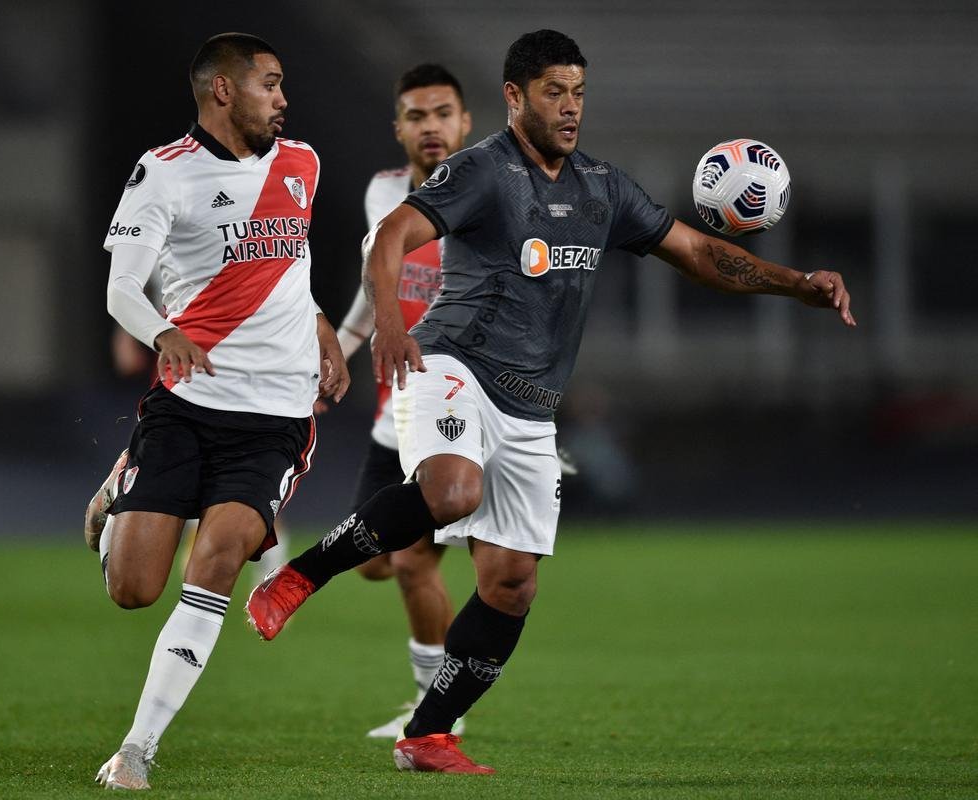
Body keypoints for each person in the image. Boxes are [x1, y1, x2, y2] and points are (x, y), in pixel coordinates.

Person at [247, 29, 855, 775]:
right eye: (553, 93)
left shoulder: (601, 187)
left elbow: (698, 254)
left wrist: (798, 284)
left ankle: (427, 734)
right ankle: (298, 576)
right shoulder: (480, 172)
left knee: (511, 586)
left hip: (531, 406)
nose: (570, 109)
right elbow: (390, 238)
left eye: (578, 93)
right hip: (452, 363)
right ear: (513, 96)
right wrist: (391, 328)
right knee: (449, 490)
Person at [89, 32, 348, 791]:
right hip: (186, 405)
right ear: (223, 91)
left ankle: (136, 750)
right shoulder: (162, 176)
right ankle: (118, 494)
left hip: (274, 415)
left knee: (218, 560)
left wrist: (324, 331)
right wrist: (164, 332)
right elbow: (120, 291)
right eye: (270, 84)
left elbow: (287, 269)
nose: (283, 98)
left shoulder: (302, 164)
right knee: (135, 589)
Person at [329, 63, 472, 739]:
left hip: (460, 408)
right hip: (398, 409)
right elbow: (372, 287)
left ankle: (437, 716)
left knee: (414, 561)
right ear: (399, 129)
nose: (430, 127)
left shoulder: (488, 198)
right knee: (372, 560)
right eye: (416, 116)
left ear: (465, 123)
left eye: (442, 112)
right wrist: (339, 349)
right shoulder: (383, 193)